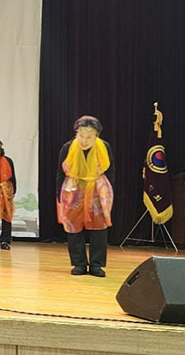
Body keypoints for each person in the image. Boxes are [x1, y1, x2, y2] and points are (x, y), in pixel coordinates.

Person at [57, 116, 114, 277]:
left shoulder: (105, 147)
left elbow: (110, 171)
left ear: (96, 136)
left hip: (97, 189)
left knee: (99, 227)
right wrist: (58, 195)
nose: (84, 140)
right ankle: (79, 264)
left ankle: (96, 265)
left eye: (89, 137)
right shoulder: (68, 148)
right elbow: (60, 173)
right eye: (81, 136)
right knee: (73, 226)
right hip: (73, 188)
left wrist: (109, 194)